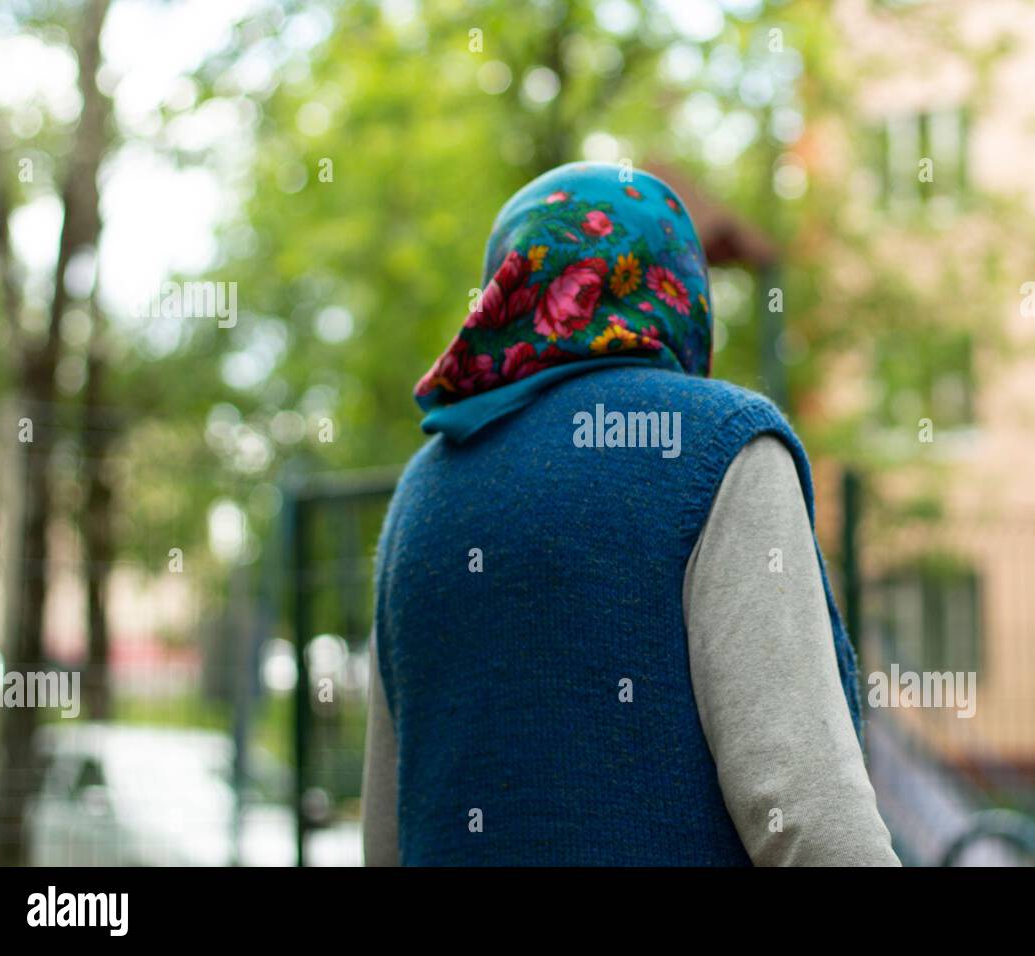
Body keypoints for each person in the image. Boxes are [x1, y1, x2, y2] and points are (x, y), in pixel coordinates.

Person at [361, 162, 898, 866]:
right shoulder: (718, 443)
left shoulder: (421, 495)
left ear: (511, 285)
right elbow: (807, 815)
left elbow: (385, 836)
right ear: (679, 283)